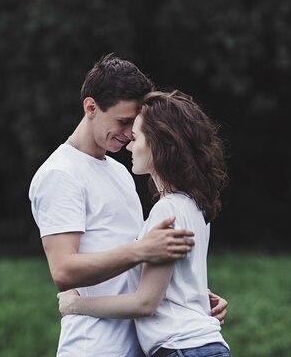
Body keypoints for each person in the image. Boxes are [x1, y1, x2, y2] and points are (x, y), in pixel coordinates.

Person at [29, 55, 228, 357]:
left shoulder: (120, 172)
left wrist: (190, 295)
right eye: (122, 122)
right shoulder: (60, 173)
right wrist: (141, 250)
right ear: (91, 108)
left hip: (140, 344)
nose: (127, 135)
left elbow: (147, 258)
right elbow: (63, 270)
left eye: (133, 126)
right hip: (94, 346)